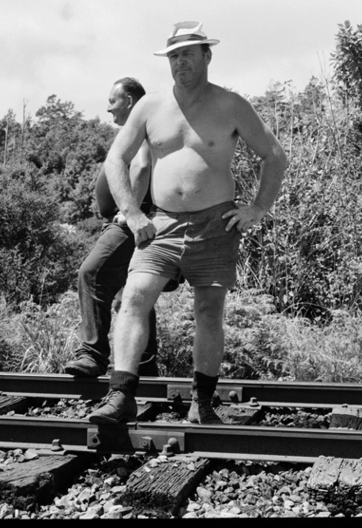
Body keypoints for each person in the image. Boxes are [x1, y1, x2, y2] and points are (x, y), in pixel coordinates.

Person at [88, 21, 288, 425]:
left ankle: (203, 403)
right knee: (134, 299)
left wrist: (257, 209)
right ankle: (121, 396)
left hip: (215, 224)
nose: (181, 63)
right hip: (160, 224)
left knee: (208, 309)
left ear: (206, 56)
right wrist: (131, 212)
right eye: (174, 56)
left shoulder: (232, 105)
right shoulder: (149, 107)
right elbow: (116, 159)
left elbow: (274, 156)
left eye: (188, 55)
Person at [64, 77, 162, 378]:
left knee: (91, 274)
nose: (108, 109)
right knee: (131, 293)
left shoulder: (142, 130)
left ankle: (92, 354)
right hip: (133, 220)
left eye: (112, 101)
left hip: (132, 222)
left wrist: (128, 210)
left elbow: (143, 166)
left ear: (129, 101)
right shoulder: (135, 131)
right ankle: (145, 365)